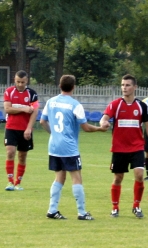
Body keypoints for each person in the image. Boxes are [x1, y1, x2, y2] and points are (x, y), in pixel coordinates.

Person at [40, 75, 108, 220]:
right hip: (69, 147)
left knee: (59, 177)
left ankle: (52, 210)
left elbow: (42, 121)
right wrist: (100, 129)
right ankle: (82, 212)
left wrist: (54, 133)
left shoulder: (51, 102)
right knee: (76, 177)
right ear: (74, 87)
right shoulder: (75, 105)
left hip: (53, 146)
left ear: (60, 86)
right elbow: (85, 127)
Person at [100, 74, 148, 219]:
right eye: (122, 85)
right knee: (118, 178)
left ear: (135, 87)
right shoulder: (115, 104)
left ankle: (136, 206)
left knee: (139, 174)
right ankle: (115, 207)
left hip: (137, 147)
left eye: (127, 85)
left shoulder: (142, 106)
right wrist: (103, 123)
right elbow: (105, 117)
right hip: (119, 148)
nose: (124, 88)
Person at [4, 70, 39, 191]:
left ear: (26, 81)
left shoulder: (32, 94)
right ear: (14, 80)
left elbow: (34, 111)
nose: (20, 84)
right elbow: (8, 109)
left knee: (22, 156)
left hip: (25, 129)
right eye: (18, 82)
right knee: (10, 152)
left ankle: (18, 182)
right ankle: (10, 182)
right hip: (11, 128)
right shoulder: (9, 92)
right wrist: (24, 108)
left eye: (22, 82)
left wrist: (29, 128)